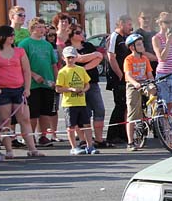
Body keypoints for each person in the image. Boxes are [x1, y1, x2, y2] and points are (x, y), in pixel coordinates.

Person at [0, 26, 43, 158]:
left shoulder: (19, 51)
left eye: (13, 35)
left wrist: (27, 88)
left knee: (25, 119)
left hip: (18, 89)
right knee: (5, 121)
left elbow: (26, 70)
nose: (12, 37)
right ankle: (9, 150)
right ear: (2, 36)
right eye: (9, 35)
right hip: (1, 90)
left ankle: (32, 149)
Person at [65, 25, 109, 147]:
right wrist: (91, 56)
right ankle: (83, 140)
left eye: (83, 33)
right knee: (83, 112)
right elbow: (78, 58)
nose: (82, 35)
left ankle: (99, 139)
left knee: (99, 109)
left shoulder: (88, 46)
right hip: (77, 84)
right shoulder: (69, 49)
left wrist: (83, 68)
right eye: (78, 33)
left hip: (92, 82)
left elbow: (99, 58)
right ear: (71, 35)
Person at [18, 18, 59, 146]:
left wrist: (56, 80)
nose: (42, 30)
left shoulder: (47, 45)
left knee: (46, 111)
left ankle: (43, 136)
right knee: (33, 113)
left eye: (43, 27)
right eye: (39, 27)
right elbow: (21, 64)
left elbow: (53, 64)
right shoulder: (25, 44)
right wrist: (33, 75)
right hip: (32, 84)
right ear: (32, 29)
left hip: (47, 83)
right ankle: (31, 137)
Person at [55, 46, 96, 155]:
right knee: (71, 126)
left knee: (86, 125)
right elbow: (58, 88)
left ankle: (90, 146)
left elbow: (87, 84)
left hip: (81, 102)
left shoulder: (81, 69)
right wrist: (70, 89)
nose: (70, 60)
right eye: (68, 58)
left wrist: (83, 90)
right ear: (63, 58)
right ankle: (73, 147)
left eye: (72, 57)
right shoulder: (62, 72)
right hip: (69, 103)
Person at [123, 33, 153, 151]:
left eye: (142, 44)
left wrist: (152, 82)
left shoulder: (145, 58)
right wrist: (135, 83)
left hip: (144, 83)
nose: (142, 46)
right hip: (133, 85)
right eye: (139, 44)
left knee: (154, 90)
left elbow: (149, 74)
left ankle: (156, 112)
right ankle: (130, 142)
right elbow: (128, 75)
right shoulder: (128, 59)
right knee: (132, 113)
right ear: (132, 47)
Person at [105, 15, 133, 144]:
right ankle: (112, 135)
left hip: (127, 75)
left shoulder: (126, 38)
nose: (130, 27)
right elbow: (111, 57)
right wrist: (120, 74)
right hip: (117, 77)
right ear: (121, 24)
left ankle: (123, 133)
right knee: (120, 104)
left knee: (126, 105)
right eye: (128, 24)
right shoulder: (114, 36)